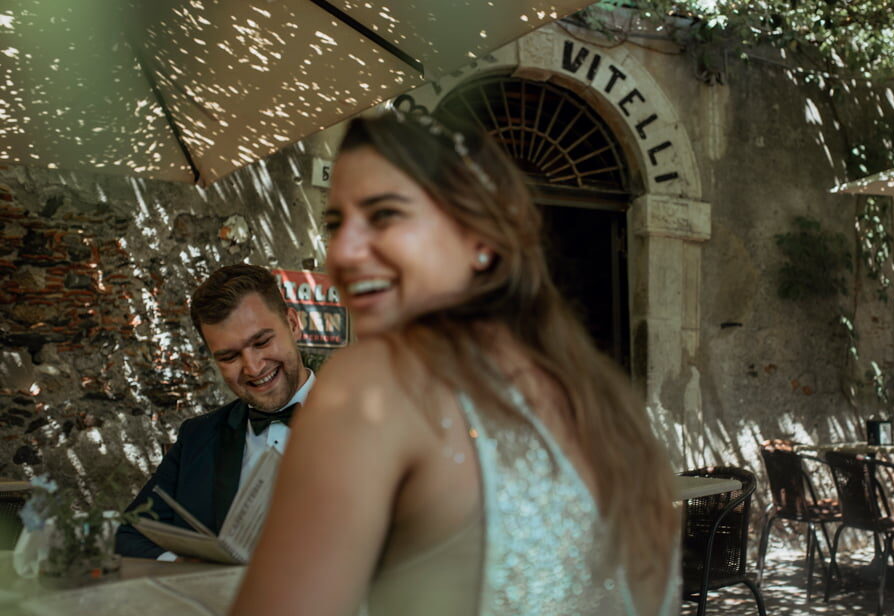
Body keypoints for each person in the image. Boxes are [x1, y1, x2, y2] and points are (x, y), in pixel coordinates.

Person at [231, 112, 679, 615]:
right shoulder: (604, 399)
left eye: (385, 215)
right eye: (335, 224)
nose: (343, 253)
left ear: (480, 239)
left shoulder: (373, 383)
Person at [115, 264, 314, 559]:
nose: (253, 368)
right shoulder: (197, 437)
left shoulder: (370, 423)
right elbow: (130, 534)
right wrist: (186, 567)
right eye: (229, 356)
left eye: (261, 342)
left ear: (293, 324)